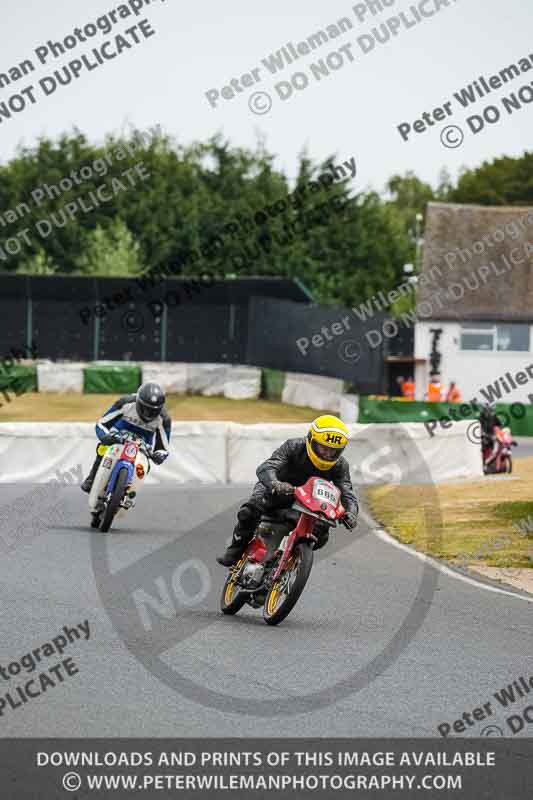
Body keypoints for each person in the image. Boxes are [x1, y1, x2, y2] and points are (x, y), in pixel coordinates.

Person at [217, 414, 359, 566]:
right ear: (311, 439)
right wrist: (275, 484)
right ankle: (235, 550)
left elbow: (347, 492)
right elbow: (267, 467)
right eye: (323, 448)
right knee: (249, 511)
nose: (327, 454)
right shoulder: (293, 446)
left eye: (333, 451)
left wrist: (351, 513)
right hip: (276, 491)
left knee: (322, 533)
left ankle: (290, 559)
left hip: (309, 504)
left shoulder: (340, 465)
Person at [80, 382, 171, 493]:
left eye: (153, 410)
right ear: (138, 402)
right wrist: (106, 437)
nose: (148, 413)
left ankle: (130, 493)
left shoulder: (164, 419)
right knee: (102, 448)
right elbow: (102, 423)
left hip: (143, 446)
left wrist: (159, 455)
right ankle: (92, 479)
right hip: (119, 435)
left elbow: (163, 447)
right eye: (145, 408)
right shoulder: (125, 402)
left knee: (144, 468)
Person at [479, 401, 502, 467]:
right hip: (483, 436)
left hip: (492, 436)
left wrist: (499, 431)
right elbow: (477, 426)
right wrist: (482, 433)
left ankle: (496, 462)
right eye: (486, 410)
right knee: (483, 447)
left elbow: (499, 425)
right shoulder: (480, 417)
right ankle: (483, 464)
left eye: (489, 409)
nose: (488, 411)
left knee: (499, 444)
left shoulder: (494, 417)